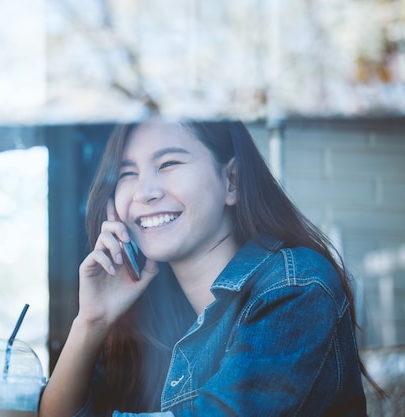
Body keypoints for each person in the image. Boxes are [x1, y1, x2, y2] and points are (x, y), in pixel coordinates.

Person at [39, 117, 374, 417]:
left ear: (232, 180)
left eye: (168, 163)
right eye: (128, 173)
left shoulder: (294, 285)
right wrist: (92, 321)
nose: (145, 192)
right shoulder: (154, 312)